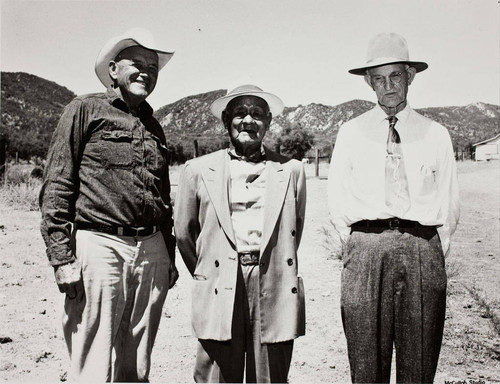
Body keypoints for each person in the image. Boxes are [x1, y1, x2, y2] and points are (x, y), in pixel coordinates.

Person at [39, 28, 178, 382]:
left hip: (151, 250)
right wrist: (61, 257)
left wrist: (169, 256)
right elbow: (58, 182)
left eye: (153, 66)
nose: (147, 71)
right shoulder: (84, 109)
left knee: (137, 366)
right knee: (92, 364)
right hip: (99, 246)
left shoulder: (154, 126)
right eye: (138, 63)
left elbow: (163, 199)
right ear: (114, 69)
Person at [327, 33, 460, 383]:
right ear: (369, 82)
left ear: (410, 76)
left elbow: (449, 202)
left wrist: (427, 249)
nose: (388, 86)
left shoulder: (436, 134)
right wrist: (360, 245)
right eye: (379, 79)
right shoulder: (351, 133)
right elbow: (338, 199)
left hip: (422, 248)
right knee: (367, 366)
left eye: (396, 76)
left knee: (418, 365)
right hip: (366, 249)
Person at [174, 85, 306, 383]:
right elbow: (184, 233)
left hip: (271, 278)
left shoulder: (292, 171)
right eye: (240, 113)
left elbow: (294, 231)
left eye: (257, 114)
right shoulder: (196, 170)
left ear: (268, 122)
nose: (248, 120)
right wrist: (208, 270)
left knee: (270, 376)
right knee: (216, 375)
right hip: (221, 282)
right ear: (226, 121)